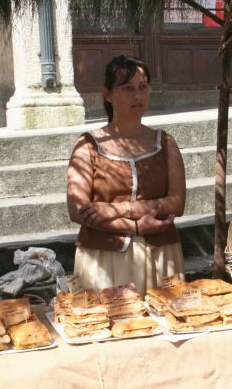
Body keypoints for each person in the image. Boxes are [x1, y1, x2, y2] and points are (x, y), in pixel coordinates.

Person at [66, 55, 186, 294]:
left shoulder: (165, 143)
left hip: (160, 254)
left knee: (168, 318)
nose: (137, 96)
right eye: (127, 88)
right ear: (108, 94)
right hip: (104, 257)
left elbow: (176, 203)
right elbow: (78, 210)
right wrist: (137, 227)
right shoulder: (87, 145)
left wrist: (117, 209)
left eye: (143, 87)